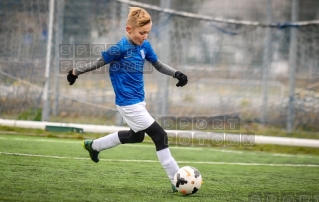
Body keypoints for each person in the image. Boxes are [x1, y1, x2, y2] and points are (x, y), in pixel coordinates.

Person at [67, 7, 188, 192]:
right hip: (128, 104)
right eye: (142, 33)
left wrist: (176, 74)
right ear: (129, 30)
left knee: (136, 136)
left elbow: (158, 65)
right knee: (160, 135)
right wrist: (75, 72)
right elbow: (98, 62)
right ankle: (176, 180)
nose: (145, 36)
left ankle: (94, 146)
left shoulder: (145, 46)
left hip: (139, 102)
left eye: (147, 32)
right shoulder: (119, 49)